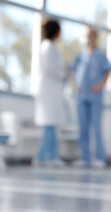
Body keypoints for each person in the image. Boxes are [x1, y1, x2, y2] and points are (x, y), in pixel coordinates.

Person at [70, 29, 111, 168]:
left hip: (95, 95)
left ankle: (100, 157)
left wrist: (99, 86)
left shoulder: (100, 56)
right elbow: (73, 72)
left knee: (96, 127)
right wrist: (76, 85)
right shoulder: (80, 55)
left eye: (91, 36)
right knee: (82, 128)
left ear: (95, 37)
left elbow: (107, 72)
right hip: (81, 95)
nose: (89, 39)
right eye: (87, 36)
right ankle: (85, 157)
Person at [33, 19, 66, 167]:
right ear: (56, 32)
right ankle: (47, 157)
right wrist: (66, 75)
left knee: (50, 125)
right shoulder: (48, 47)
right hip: (49, 90)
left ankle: (44, 156)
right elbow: (53, 69)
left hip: (50, 90)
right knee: (50, 125)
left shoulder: (48, 47)